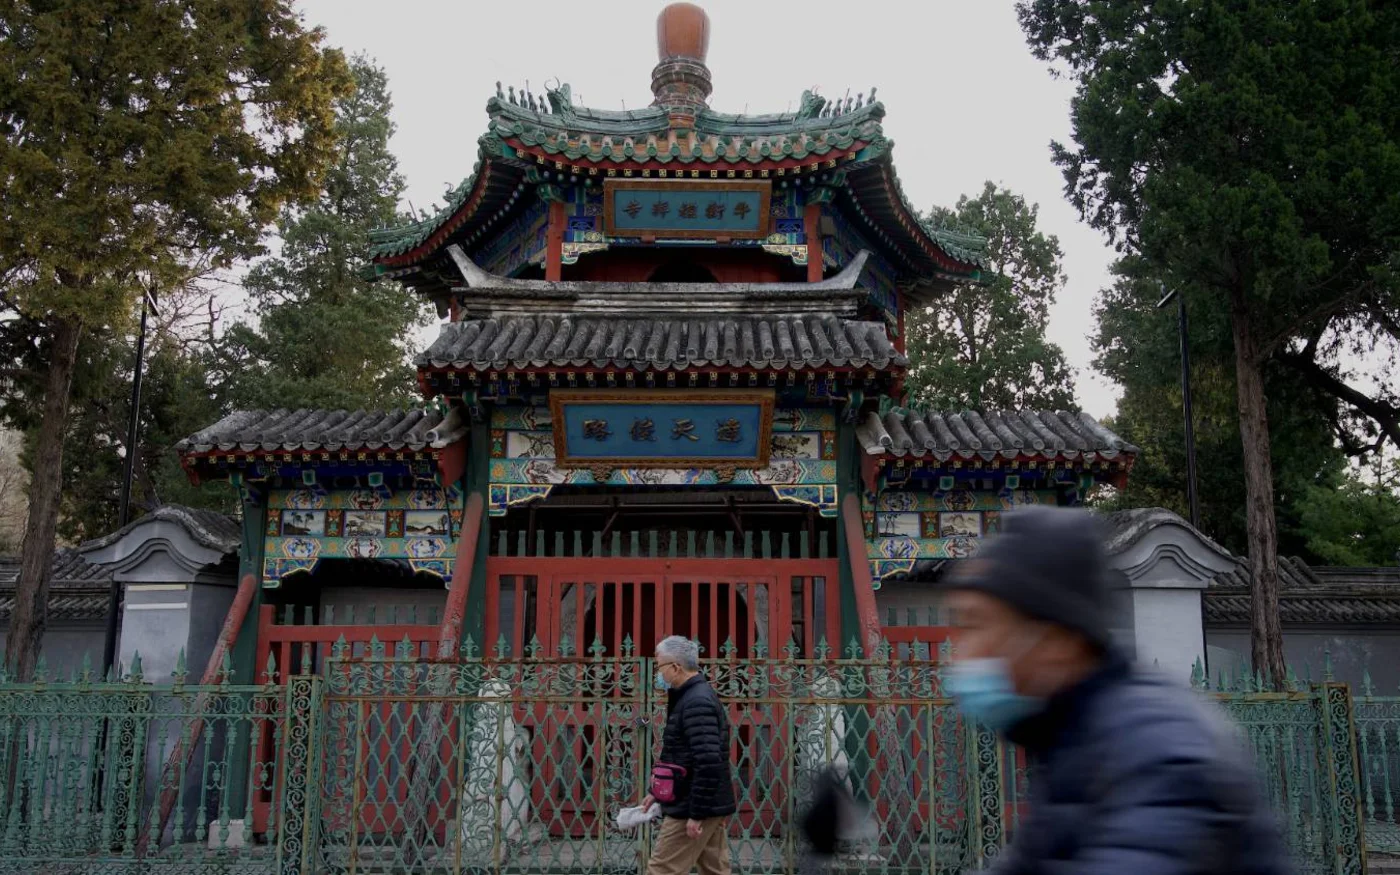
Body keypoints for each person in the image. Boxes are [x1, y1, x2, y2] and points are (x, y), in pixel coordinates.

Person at [941, 505, 1290, 875]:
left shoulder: (1158, 752)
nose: (958, 652)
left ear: (1056, 639)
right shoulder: (1071, 744)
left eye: (975, 624)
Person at [637, 635, 737, 875]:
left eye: (659, 666)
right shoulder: (690, 697)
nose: (657, 673)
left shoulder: (696, 702)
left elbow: (708, 761)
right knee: (714, 869)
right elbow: (682, 756)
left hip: (692, 804)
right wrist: (656, 793)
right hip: (704, 801)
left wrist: (696, 813)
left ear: (675, 667)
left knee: (661, 870)